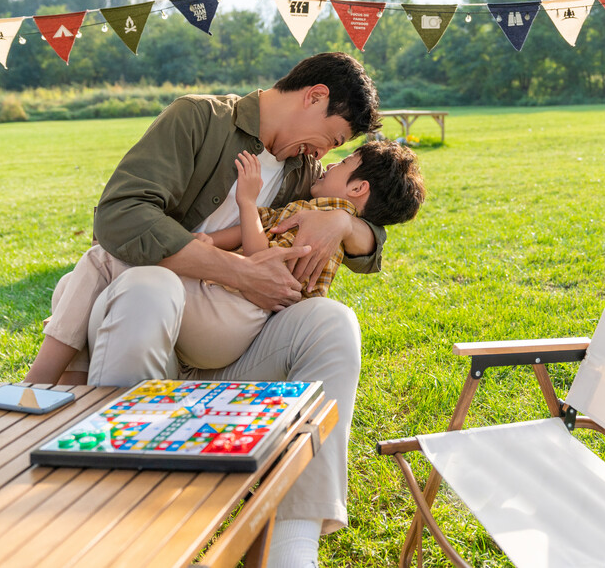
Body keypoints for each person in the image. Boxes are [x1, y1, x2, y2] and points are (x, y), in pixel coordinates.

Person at [24, 52, 385, 567]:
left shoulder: (303, 169)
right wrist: (234, 271)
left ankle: (291, 549)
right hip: (152, 338)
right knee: (150, 287)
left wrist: (348, 227)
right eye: (329, 139)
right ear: (315, 96)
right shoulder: (199, 118)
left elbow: (374, 218)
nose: (322, 154)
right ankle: (126, 521)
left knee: (334, 322)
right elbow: (122, 215)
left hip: (234, 346)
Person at [27, 139, 424, 377]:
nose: (331, 161)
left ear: (358, 187)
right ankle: (69, 384)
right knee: (80, 281)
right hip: (220, 309)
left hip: (231, 316)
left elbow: (262, 262)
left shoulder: (320, 229)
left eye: (344, 162)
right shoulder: (309, 209)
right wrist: (197, 243)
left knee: (101, 259)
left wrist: (246, 199)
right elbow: (238, 235)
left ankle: (40, 381)